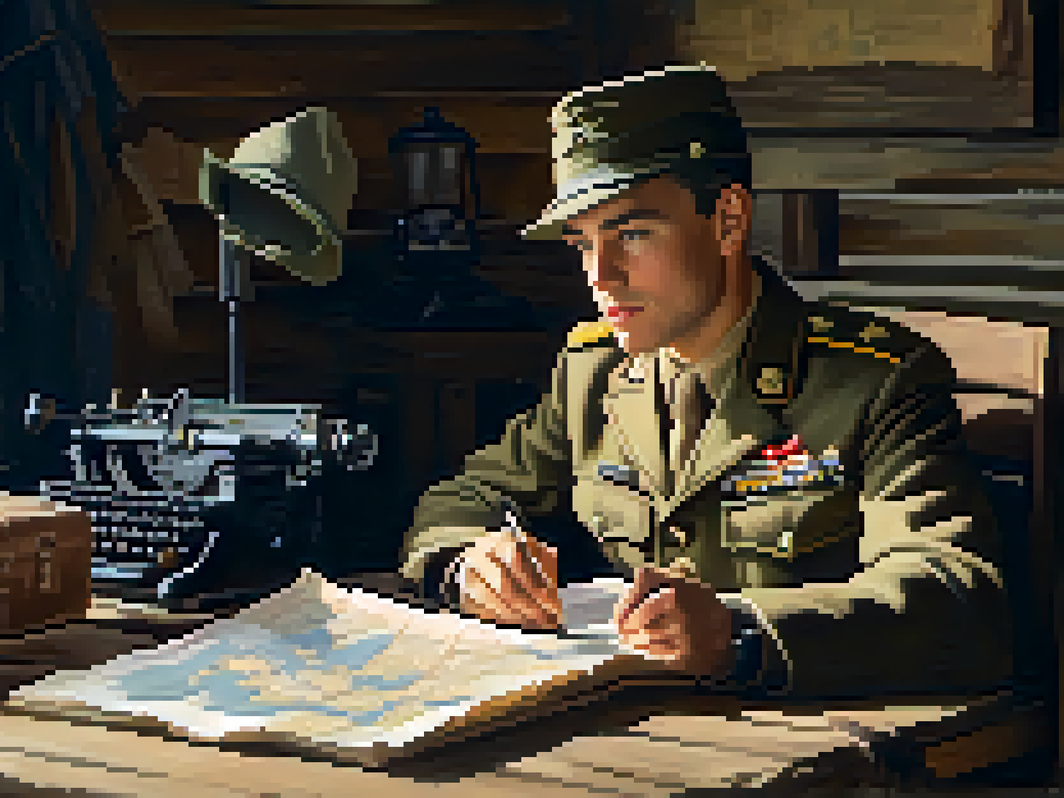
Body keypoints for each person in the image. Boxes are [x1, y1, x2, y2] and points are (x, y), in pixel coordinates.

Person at [400, 64, 1012, 698]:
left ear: (728, 220)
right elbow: (468, 497)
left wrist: (740, 633)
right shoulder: (595, 372)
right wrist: (468, 561)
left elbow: (954, 595)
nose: (600, 276)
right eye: (583, 243)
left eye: (632, 233)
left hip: (805, 735)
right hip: (627, 723)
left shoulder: (872, 382)